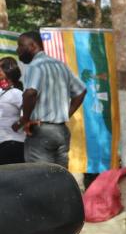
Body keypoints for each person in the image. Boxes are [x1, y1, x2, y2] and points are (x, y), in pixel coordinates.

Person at [14, 31, 86, 167]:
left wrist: (25, 119)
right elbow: (81, 91)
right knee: (59, 177)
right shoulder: (61, 66)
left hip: (41, 132)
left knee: (39, 178)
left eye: (20, 46)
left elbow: (30, 93)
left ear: (32, 46)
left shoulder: (35, 66)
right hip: (61, 132)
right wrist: (66, 114)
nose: (18, 50)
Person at [0, 58, 25, 165]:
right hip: (3, 143)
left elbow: (31, 112)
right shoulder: (2, 92)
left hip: (13, 143)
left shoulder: (16, 93)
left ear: (8, 72)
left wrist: (19, 124)